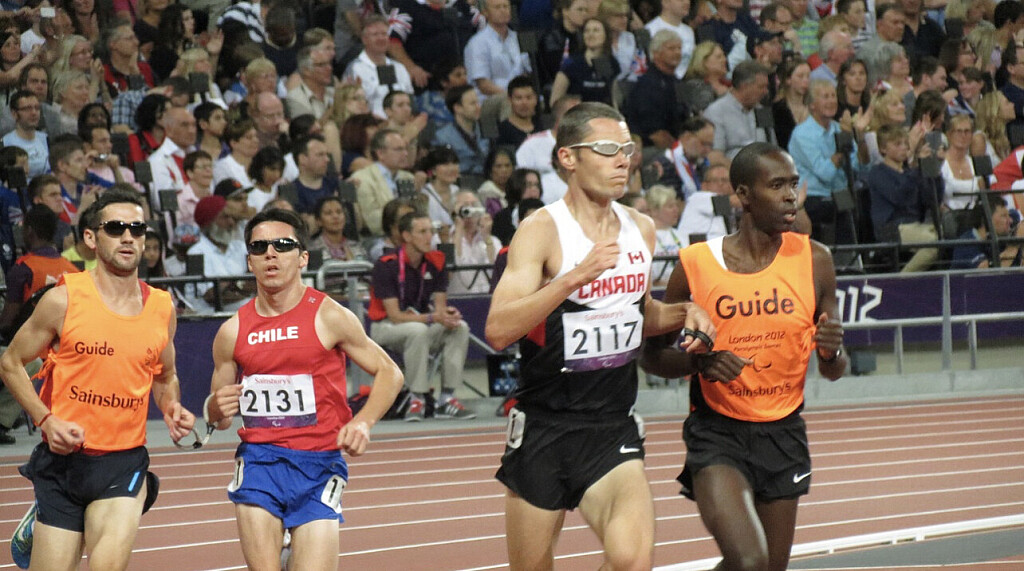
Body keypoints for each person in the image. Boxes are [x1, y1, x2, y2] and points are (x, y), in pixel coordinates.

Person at [485, 102, 714, 570]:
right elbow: (498, 329)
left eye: (626, 150)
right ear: (568, 157)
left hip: (612, 428)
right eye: (608, 149)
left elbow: (638, 313)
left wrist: (685, 312)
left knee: (632, 560)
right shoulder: (542, 229)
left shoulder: (640, 228)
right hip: (545, 427)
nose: (623, 160)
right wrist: (573, 277)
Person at [641, 141, 846, 571]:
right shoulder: (696, 263)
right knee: (750, 561)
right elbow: (650, 356)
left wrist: (831, 352)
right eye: (777, 185)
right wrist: (701, 363)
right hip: (717, 432)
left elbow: (834, 369)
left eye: (793, 184)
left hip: (784, 432)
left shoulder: (816, 260)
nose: (791, 196)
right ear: (743, 194)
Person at [1, 188, 196, 571]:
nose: (128, 237)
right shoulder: (63, 300)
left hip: (123, 462)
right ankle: (41, 517)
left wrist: (171, 404)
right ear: (91, 237)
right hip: (62, 463)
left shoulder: (161, 308)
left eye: (137, 229)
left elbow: (165, 375)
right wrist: (46, 419)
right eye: (116, 228)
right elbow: (10, 363)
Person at [205, 207, 403, 570]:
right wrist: (216, 407)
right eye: (260, 247)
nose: (270, 254)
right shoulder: (232, 331)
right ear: (249, 261)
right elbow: (218, 418)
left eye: (282, 245)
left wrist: (363, 422)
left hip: (319, 463)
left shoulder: (328, 315)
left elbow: (390, 372)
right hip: (260, 462)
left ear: (302, 258)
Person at [368, 211, 475, 421]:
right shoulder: (386, 264)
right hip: (386, 327)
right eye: (423, 232)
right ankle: (417, 398)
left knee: (459, 327)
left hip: (421, 326)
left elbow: (440, 309)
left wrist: (448, 316)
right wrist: (433, 318)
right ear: (407, 236)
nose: (430, 237)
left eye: (431, 231)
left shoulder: (436, 261)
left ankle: (446, 399)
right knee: (417, 330)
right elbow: (395, 316)